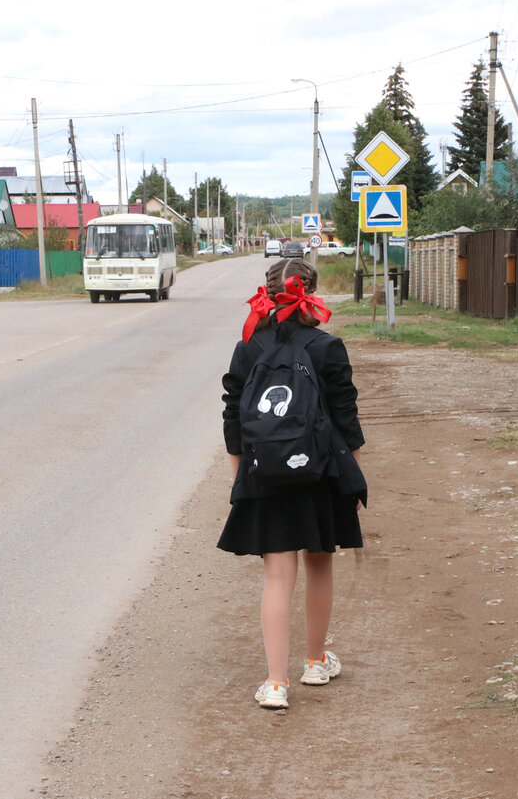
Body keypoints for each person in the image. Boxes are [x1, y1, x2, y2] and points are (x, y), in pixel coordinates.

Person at [219, 257, 367, 710]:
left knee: (277, 576)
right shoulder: (327, 346)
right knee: (320, 563)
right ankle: (316, 661)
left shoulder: (250, 346)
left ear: (267, 293)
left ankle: (276, 683)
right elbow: (346, 417)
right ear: (311, 292)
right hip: (319, 473)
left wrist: (239, 473)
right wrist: (353, 477)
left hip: (264, 473)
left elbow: (233, 414)